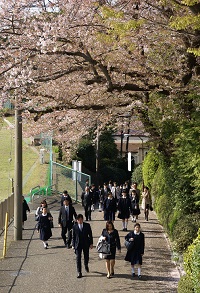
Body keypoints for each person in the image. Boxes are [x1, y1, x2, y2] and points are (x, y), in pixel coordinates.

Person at [72, 214, 93, 278]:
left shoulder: (87, 225)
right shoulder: (74, 226)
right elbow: (73, 237)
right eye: (78, 220)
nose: (80, 221)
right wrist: (73, 245)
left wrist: (91, 243)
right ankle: (79, 272)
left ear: (82, 219)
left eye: (81, 220)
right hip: (78, 244)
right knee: (78, 258)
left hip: (85, 243)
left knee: (86, 256)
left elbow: (90, 235)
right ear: (77, 220)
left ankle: (86, 264)